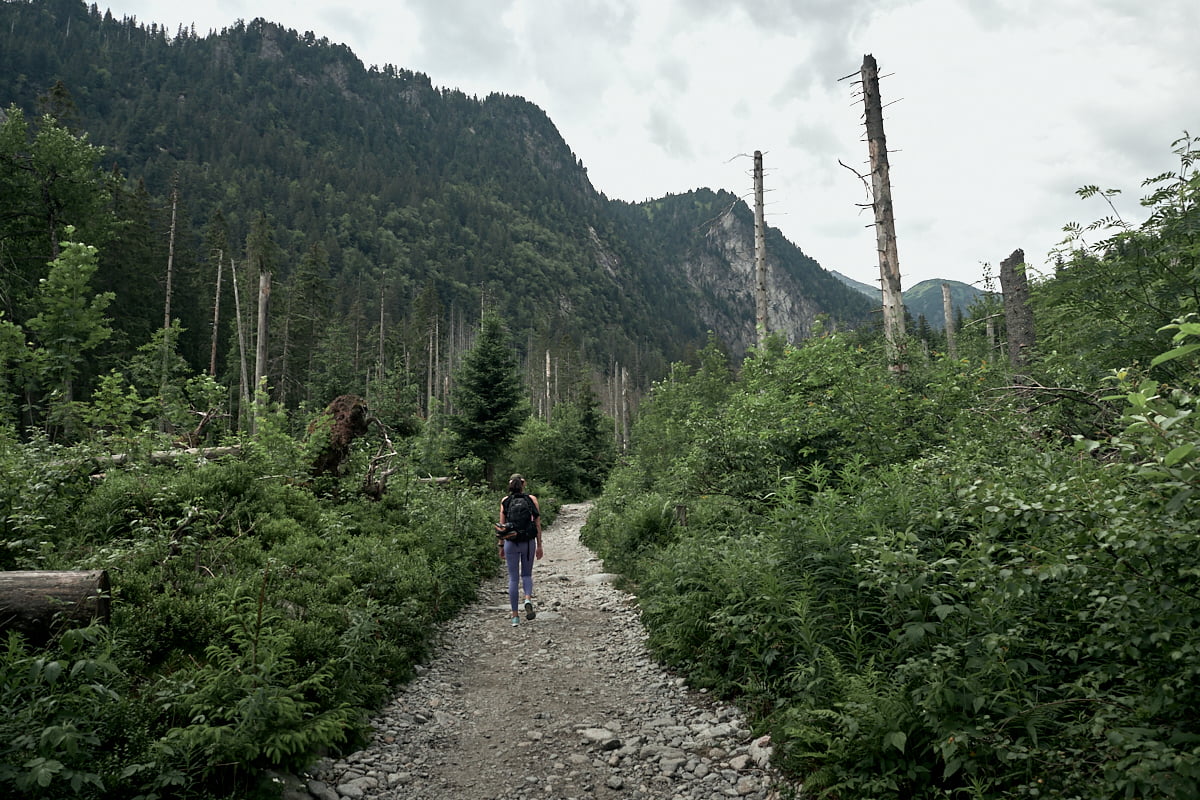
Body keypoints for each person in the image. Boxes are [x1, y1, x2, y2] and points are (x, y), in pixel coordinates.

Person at [498, 473, 543, 626]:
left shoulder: (505, 501)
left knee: (513, 578)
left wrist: (501, 546)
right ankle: (527, 599)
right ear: (523, 484)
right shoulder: (532, 500)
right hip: (528, 543)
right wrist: (540, 545)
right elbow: (537, 524)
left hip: (511, 542)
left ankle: (515, 617)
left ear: (510, 485)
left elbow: (502, 527)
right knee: (526, 575)